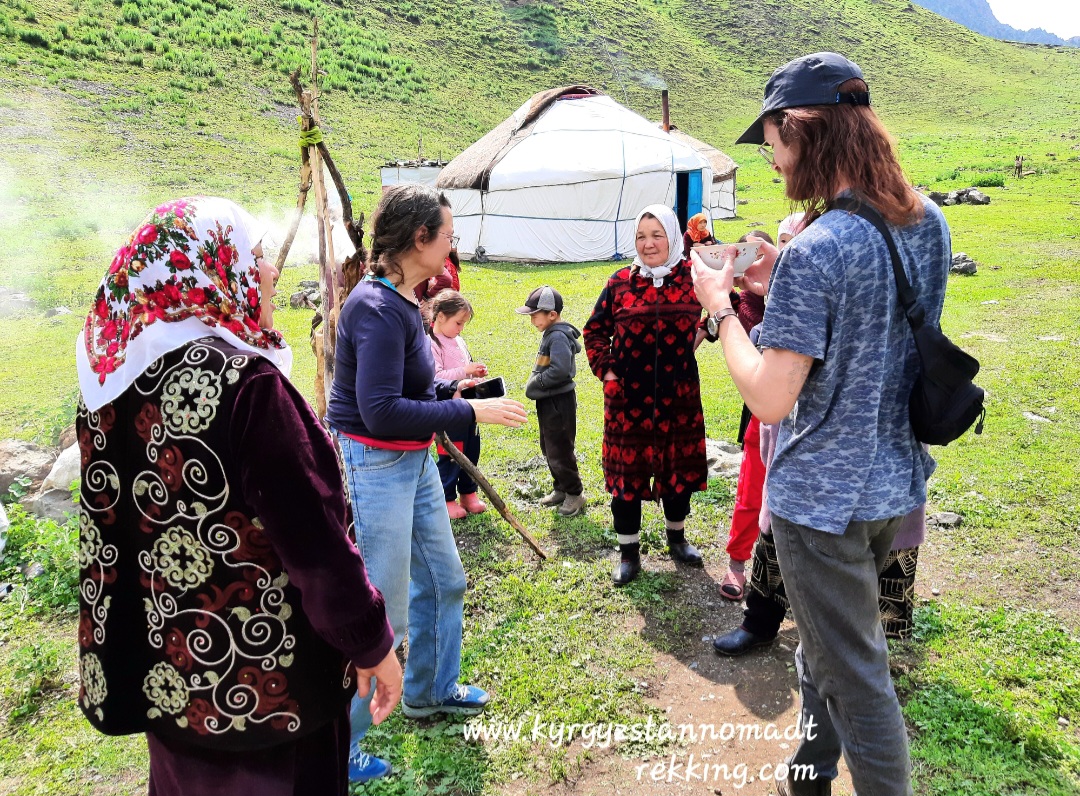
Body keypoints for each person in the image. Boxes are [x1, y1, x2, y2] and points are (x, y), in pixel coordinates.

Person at [74, 196, 402, 796]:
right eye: (252, 257)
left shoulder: (109, 385)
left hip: (172, 683)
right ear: (211, 271)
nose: (270, 271)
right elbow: (315, 545)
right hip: (270, 697)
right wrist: (372, 643)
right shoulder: (246, 386)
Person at [692, 52, 949, 796]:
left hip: (824, 506)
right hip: (894, 483)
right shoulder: (925, 219)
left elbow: (770, 396)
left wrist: (721, 307)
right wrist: (785, 282)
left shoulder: (820, 246)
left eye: (771, 141)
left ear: (803, 131)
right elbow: (879, 330)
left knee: (855, 674)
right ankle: (806, 777)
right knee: (830, 652)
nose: (770, 159)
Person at [325, 183, 527, 782]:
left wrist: (454, 390)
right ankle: (344, 745)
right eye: (448, 233)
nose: (453, 242)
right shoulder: (375, 308)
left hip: (409, 462)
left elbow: (409, 393)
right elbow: (381, 410)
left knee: (446, 578)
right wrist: (470, 413)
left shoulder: (406, 301)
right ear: (420, 239)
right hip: (377, 463)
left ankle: (428, 691)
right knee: (378, 609)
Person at [714, 414, 926, 655]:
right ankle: (761, 622)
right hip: (814, 438)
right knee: (783, 532)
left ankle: (866, 652)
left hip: (888, 447)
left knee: (877, 555)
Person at [584, 204, 710, 586]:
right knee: (627, 479)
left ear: (673, 236)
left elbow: (728, 304)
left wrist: (708, 330)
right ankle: (628, 554)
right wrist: (607, 372)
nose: (648, 243)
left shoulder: (694, 276)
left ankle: (677, 539)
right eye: (641, 236)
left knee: (678, 473)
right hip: (628, 401)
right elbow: (593, 331)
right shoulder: (620, 282)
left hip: (679, 397)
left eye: (657, 235)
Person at [720, 223, 800, 601]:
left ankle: (788, 583)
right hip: (764, 415)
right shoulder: (754, 299)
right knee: (752, 492)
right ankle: (737, 563)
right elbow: (748, 336)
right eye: (783, 243)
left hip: (808, 422)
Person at [516, 285, 585, 517]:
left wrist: (538, 384)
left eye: (535, 316)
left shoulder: (557, 336)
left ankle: (575, 494)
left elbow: (560, 370)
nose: (532, 320)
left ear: (552, 315)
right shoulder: (551, 333)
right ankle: (561, 489)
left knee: (560, 450)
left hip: (558, 401)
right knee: (549, 447)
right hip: (549, 401)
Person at [428, 289, 488, 519]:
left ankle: (468, 492)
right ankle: (447, 497)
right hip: (448, 410)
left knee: (472, 449)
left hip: (469, 407)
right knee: (450, 454)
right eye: (458, 323)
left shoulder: (458, 340)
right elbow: (435, 376)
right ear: (440, 317)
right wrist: (464, 372)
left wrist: (476, 374)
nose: (461, 328)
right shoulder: (431, 343)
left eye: (463, 324)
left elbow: (465, 368)